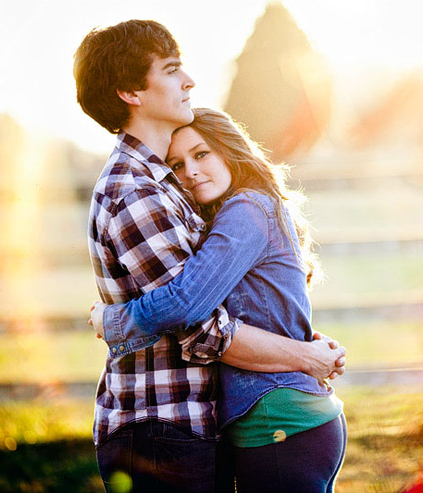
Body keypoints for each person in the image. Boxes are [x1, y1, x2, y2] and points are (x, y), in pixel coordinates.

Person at [73, 20, 344, 493]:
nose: (189, 82)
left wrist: (294, 340)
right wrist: (304, 355)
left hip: (196, 422)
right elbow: (199, 327)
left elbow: (218, 300)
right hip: (161, 424)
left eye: (201, 156)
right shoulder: (135, 194)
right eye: (172, 70)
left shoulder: (170, 189)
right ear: (130, 92)